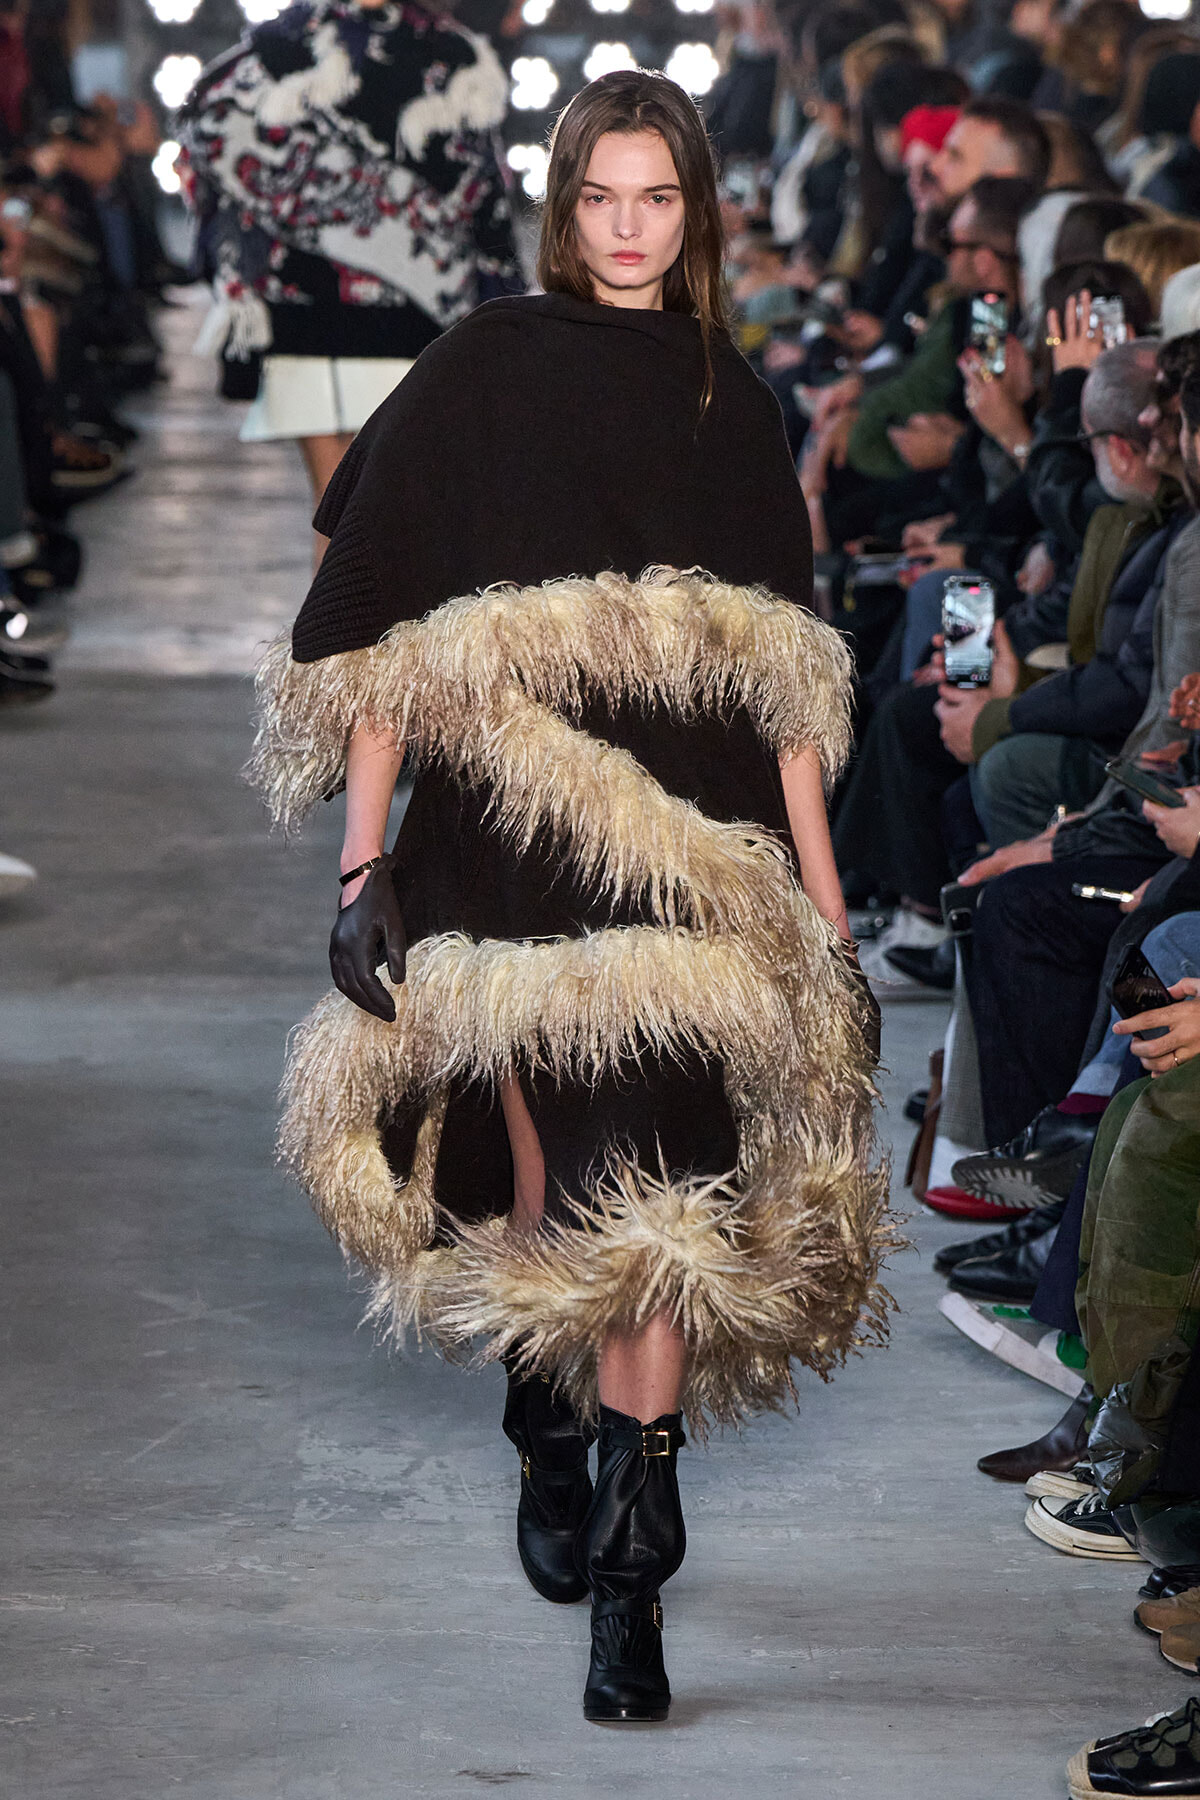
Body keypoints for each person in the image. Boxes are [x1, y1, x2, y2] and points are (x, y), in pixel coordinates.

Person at [251, 70, 888, 1726]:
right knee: (550, 1169)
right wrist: (359, 866)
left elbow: (788, 691)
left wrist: (823, 914)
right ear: (563, 206)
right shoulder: (479, 373)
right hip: (509, 839)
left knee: (662, 1189)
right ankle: (558, 1420)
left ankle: (630, 1570)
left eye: (656, 200)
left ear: (696, 216)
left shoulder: (730, 406)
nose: (625, 228)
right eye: (601, 197)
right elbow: (392, 631)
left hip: (690, 840)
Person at [180, 0, 521, 557]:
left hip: (316, 312)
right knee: (379, 518)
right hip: (399, 312)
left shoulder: (281, 47)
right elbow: (481, 198)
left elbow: (209, 130)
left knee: (340, 520)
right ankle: (356, 645)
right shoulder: (448, 53)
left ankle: (328, 645)